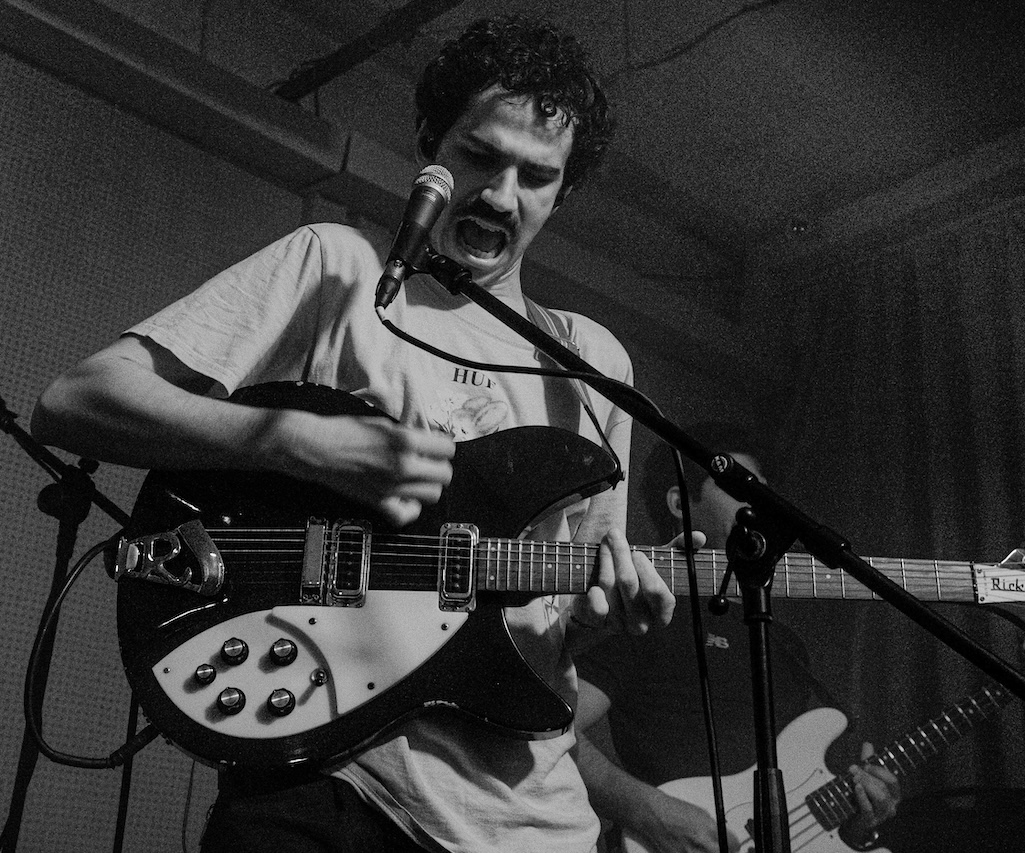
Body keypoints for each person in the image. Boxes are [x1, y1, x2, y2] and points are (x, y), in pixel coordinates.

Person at [31, 14, 674, 853]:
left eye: (536, 176)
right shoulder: (338, 268)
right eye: (480, 155)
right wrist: (296, 441)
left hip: (524, 824)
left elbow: (557, 619)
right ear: (430, 143)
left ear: (564, 192)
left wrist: (602, 617)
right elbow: (77, 398)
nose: (500, 194)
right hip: (326, 784)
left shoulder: (591, 363)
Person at [574, 423, 901, 853]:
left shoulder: (784, 644)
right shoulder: (647, 615)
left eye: (764, 492)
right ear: (680, 504)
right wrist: (648, 812)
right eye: (742, 489)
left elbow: (797, 798)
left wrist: (858, 819)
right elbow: (556, 731)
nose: (762, 505)